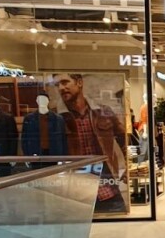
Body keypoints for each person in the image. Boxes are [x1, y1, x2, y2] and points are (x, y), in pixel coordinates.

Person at [55, 73, 128, 213]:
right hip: (76, 193)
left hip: (107, 189)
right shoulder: (57, 117)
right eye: (57, 85)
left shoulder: (102, 112)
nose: (61, 88)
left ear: (79, 83)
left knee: (118, 224)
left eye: (65, 82)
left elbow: (124, 138)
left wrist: (128, 168)